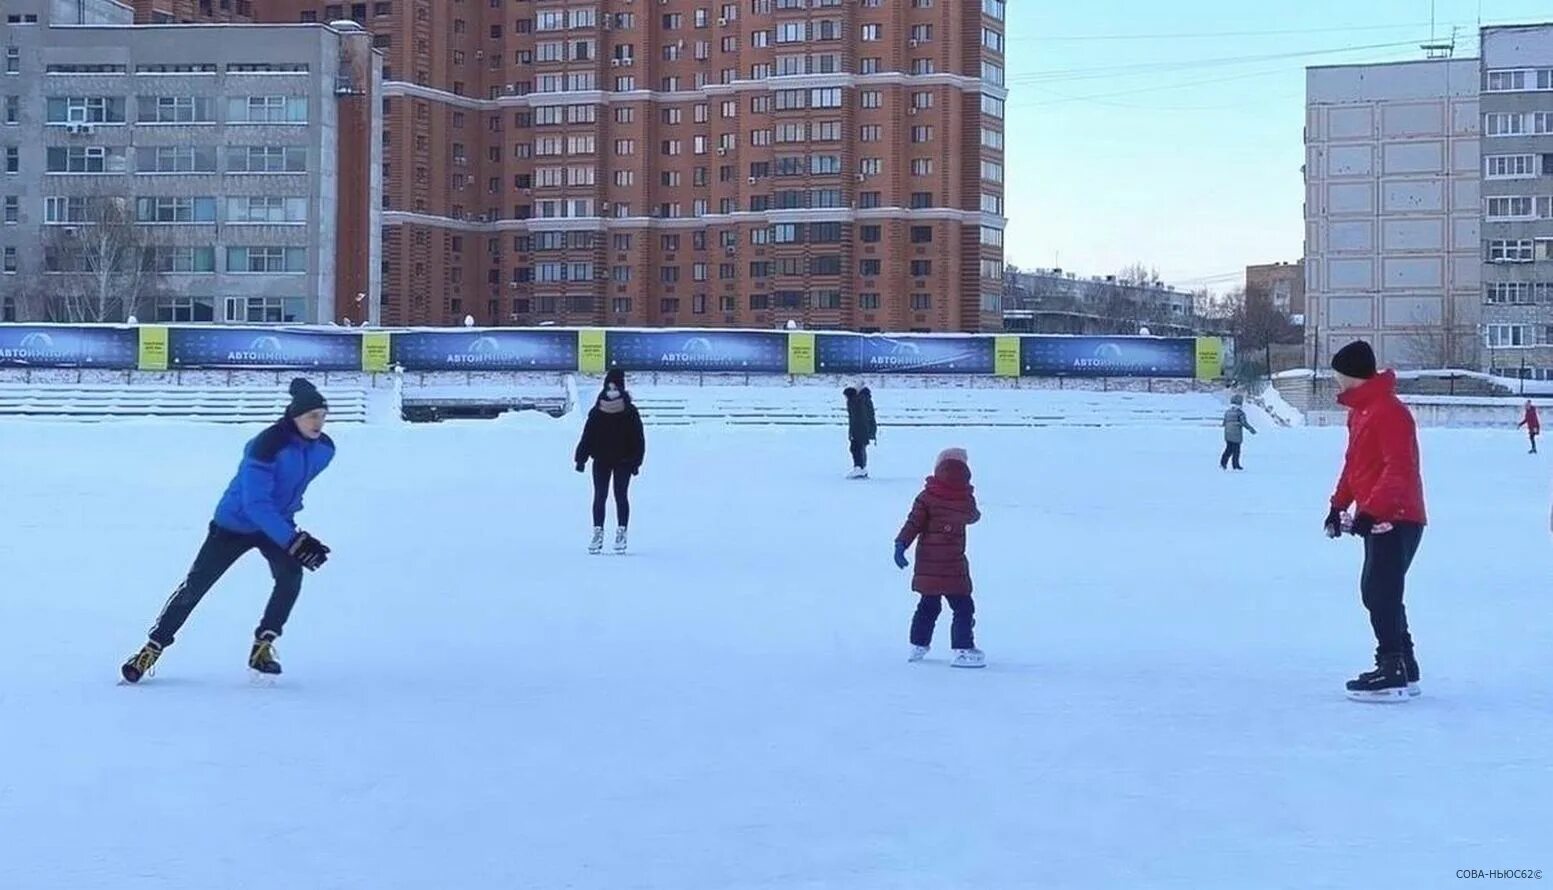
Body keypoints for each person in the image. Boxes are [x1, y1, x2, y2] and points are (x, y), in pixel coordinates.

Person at [120, 378, 335, 683]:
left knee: (290, 577)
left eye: (323, 416)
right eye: (312, 416)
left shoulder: (323, 451)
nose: (319, 423)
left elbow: (286, 494)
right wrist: (293, 540)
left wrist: (290, 532)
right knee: (195, 587)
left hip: (274, 524)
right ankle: (151, 648)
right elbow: (255, 504)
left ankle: (263, 645)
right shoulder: (265, 447)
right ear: (294, 417)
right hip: (233, 524)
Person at [1322, 340, 1427, 702]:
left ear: (1350, 374)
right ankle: (1405, 666)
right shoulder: (1361, 412)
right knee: (1382, 590)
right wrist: (1338, 506)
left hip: (1398, 515)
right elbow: (1356, 467)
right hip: (1379, 514)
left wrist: (1370, 511)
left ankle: (1392, 668)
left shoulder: (1389, 412)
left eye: (1338, 373)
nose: (1335, 380)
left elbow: (1399, 469)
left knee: (1380, 591)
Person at [894, 447, 984, 668]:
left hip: (928, 564)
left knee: (928, 604)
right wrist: (966, 492)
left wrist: (901, 544)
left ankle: (918, 644)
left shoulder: (927, 496)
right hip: (954, 565)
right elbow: (974, 517)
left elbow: (912, 523)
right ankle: (962, 648)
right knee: (963, 607)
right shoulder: (963, 496)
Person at [575, 367, 646, 554]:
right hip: (611, 460)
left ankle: (610, 533)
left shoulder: (619, 411)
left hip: (613, 460)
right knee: (610, 496)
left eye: (614, 386)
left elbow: (637, 438)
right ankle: (609, 534)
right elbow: (588, 435)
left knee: (610, 496)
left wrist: (635, 461)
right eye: (612, 385)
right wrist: (581, 458)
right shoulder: (609, 410)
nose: (613, 389)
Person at [843, 384, 877, 479]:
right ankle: (862, 468)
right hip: (864, 429)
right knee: (860, 448)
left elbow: (857, 419)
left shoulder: (855, 402)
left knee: (856, 448)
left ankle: (859, 468)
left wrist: (853, 432)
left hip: (860, 429)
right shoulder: (864, 399)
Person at [1220, 393, 1257, 470]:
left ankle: (1223, 463)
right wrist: (1251, 429)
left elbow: (1224, 423)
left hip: (1228, 434)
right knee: (1236, 450)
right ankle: (1235, 465)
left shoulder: (1227, 412)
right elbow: (1244, 423)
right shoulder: (1240, 413)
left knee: (1228, 449)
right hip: (1236, 435)